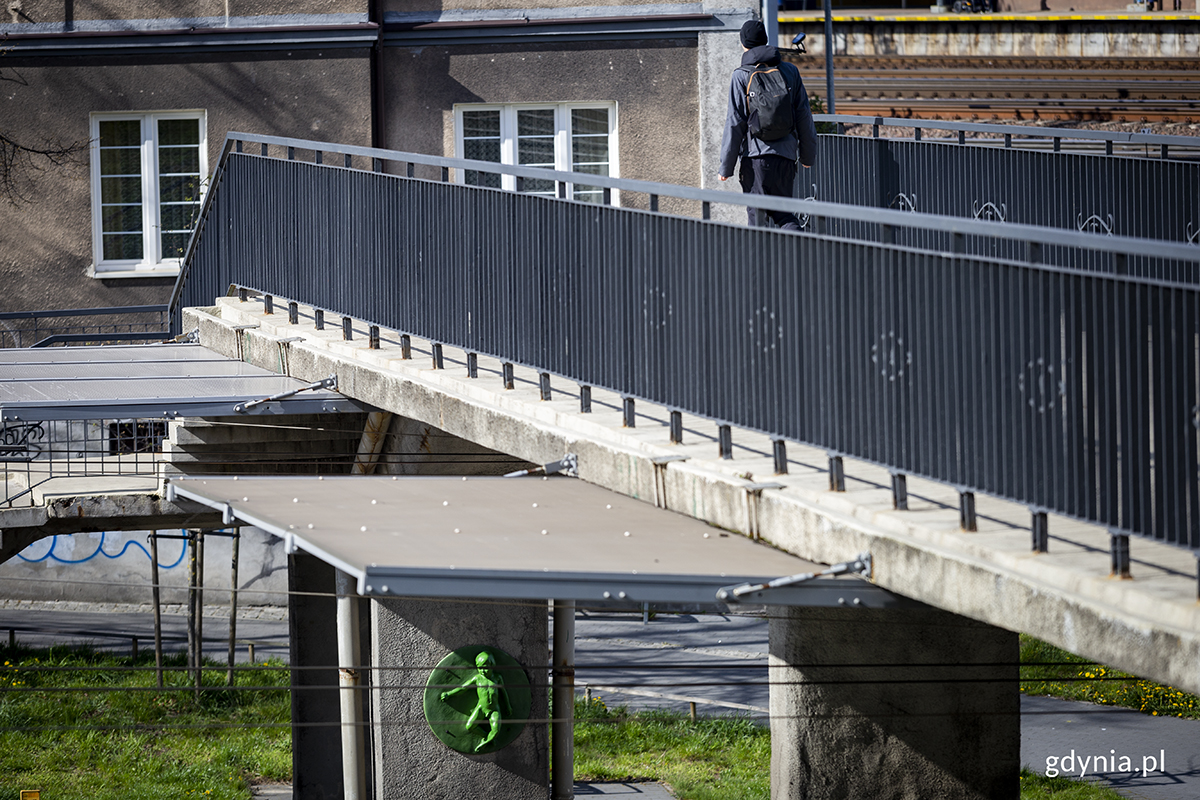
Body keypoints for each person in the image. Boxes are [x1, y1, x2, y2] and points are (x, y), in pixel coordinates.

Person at [718, 19, 817, 232]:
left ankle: (760, 256)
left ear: (744, 44)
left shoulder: (741, 75)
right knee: (784, 214)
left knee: (757, 219)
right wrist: (807, 156)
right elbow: (804, 116)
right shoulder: (790, 71)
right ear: (765, 40)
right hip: (786, 157)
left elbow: (735, 123)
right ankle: (802, 247)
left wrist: (726, 167)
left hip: (755, 158)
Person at [440, 649, 512, 752]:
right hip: (481, 708)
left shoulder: (497, 678)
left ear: (492, 665)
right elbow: (463, 688)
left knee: (496, 731)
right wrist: (449, 694)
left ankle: (485, 743)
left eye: (486, 668)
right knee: (469, 726)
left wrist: (508, 706)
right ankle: (487, 737)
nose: (483, 671)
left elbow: (503, 693)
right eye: (480, 668)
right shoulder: (478, 678)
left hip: (494, 709)